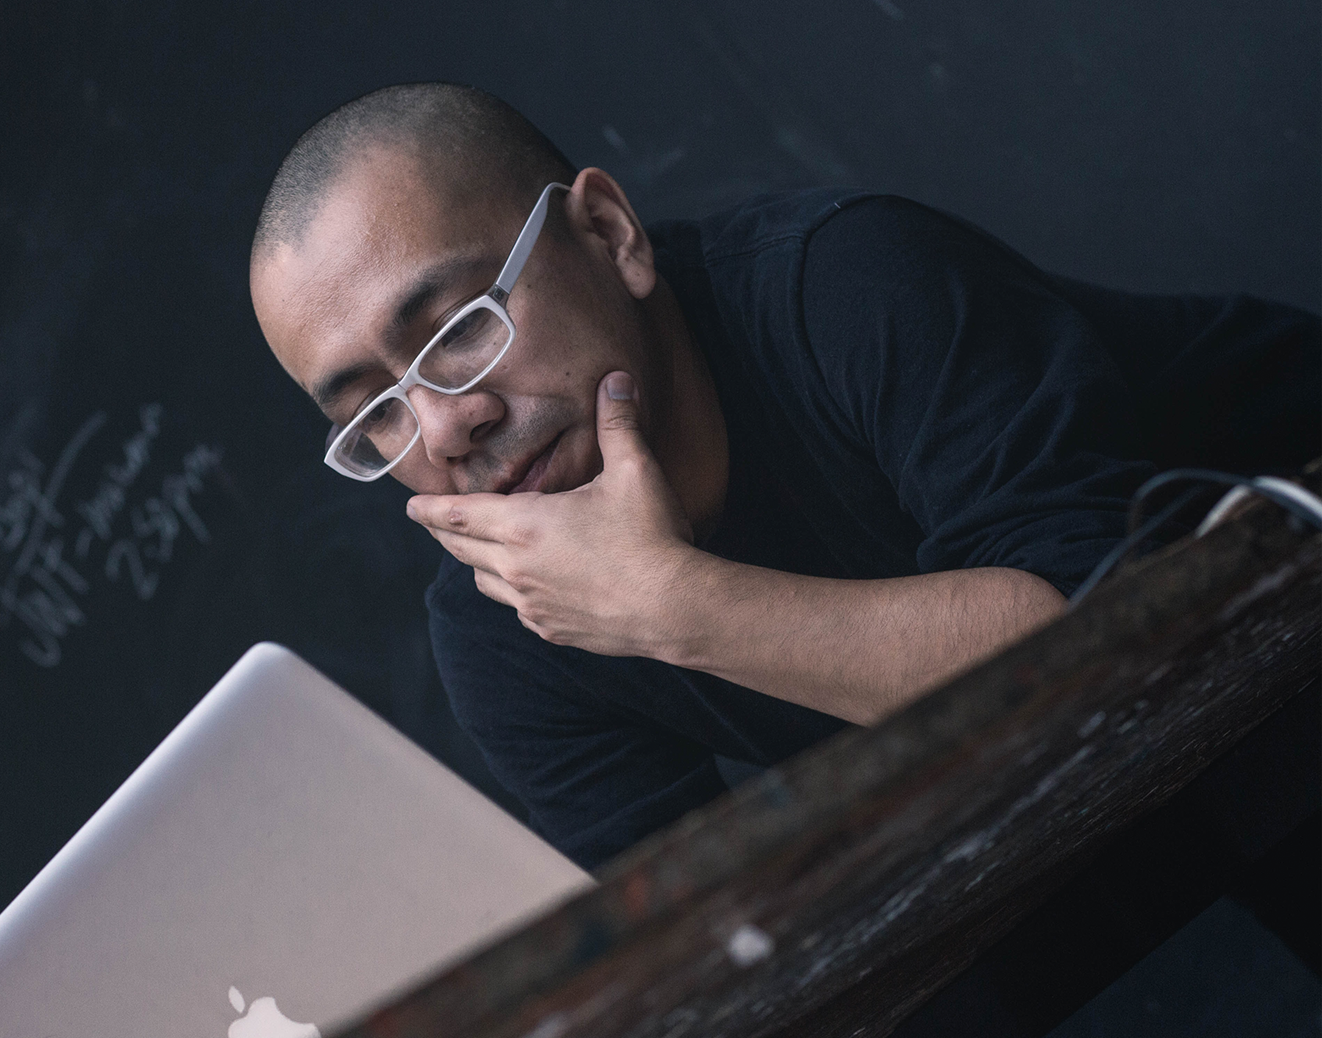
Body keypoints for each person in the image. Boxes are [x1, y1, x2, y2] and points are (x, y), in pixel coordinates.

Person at [247, 82, 1322, 870]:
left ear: (608, 232)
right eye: (373, 415)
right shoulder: (498, 620)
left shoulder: (850, 284)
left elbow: (1111, 651)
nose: (447, 425)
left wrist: (669, 603)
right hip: (1098, 807)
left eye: (461, 328)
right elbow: (679, 933)